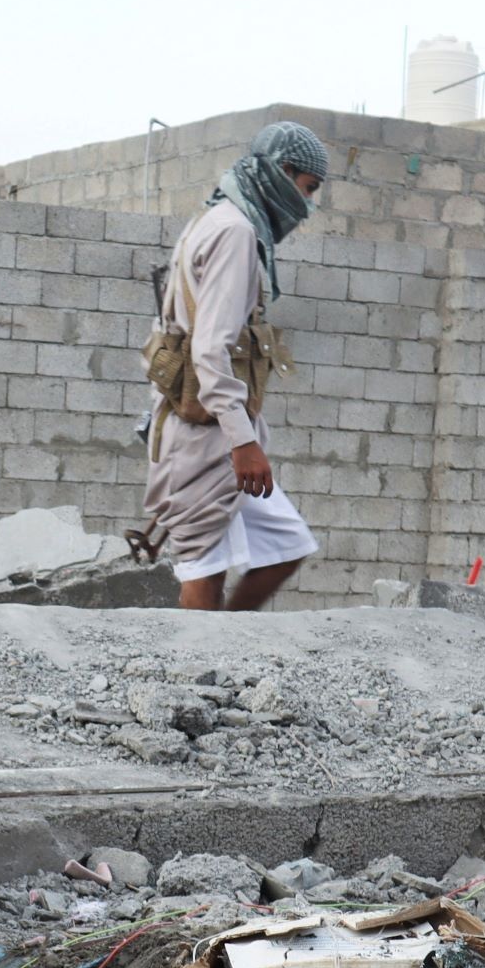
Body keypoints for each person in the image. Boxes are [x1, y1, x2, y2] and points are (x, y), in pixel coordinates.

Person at [143, 121, 327, 611]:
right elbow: (208, 348)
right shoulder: (235, 232)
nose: (307, 204)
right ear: (282, 172)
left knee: (286, 545)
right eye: (308, 187)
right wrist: (243, 442)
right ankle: (199, 659)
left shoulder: (218, 218)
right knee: (204, 571)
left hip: (210, 429)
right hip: (207, 436)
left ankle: (226, 645)